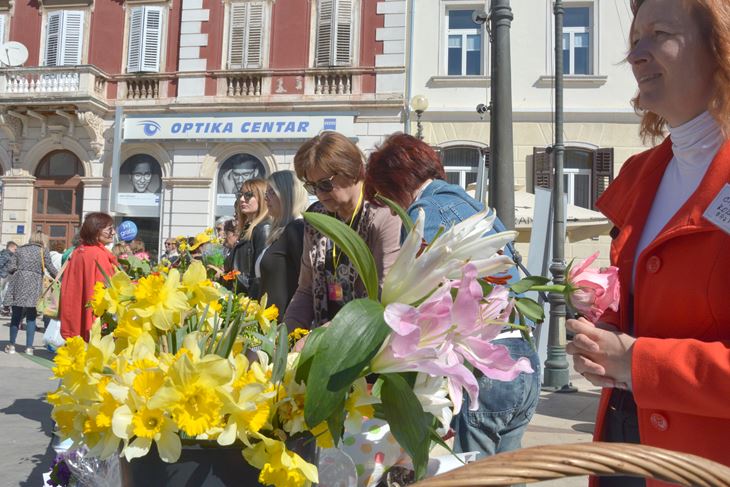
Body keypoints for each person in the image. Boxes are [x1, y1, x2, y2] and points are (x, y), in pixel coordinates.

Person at [565, 0, 730, 482]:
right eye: (635, 39)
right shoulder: (640, 174)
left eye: (659, 34)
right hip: (624, 446)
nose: (635, 55)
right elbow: (645, 308)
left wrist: (637, 363)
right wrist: (603, 322)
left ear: (720, 45)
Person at [364, 133, 540, 458]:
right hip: (522, 357)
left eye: (385, 197)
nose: (392, 209)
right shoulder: (474, 206)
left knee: (473, 475)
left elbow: (432, 296)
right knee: (509, 475)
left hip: (485, 365)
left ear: (394, 183)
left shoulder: (423, 213)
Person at [284, 131, 401, 330]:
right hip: (326, 335)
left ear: (352, 171)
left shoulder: (384, 215)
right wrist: (284, 336)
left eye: (325, 184)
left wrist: (325, 334)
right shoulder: (317, 217)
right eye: (312, 187)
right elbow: (305, 289)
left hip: (365, 337)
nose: (320, 194)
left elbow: (384, 297)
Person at [60, 212, 118, 341]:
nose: (113, 232)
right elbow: (105, 290)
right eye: (109, 229)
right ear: (96, 231)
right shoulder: (99, 255)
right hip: (93, 319)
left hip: (74, 315)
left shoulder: (78, 251)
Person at [257, 170, 308, 315]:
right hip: (271, 324)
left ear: (287, 194)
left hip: (285, 327)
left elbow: (305, 284)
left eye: (272, 192)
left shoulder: (297, 228)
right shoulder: (282, 231)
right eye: (266, 193)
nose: (266, 198)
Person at [3, 231, 57, 355]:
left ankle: (11, 346)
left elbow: (11, 268)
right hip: (35, 283)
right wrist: (61, 277)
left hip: (18, 282)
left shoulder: (20, 249)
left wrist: (20, 271)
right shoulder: (43, 251)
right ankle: (29, 348)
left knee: (16, 315)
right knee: (31, 316)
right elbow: (50, 267)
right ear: (43, 239)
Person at [225, 178, 270, 297]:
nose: (241, 199)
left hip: (249, 301)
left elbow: (259, 276)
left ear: (262, 197)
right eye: (240, 194)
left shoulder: (264, 228)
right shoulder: (248, 229)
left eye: (248, 195)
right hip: (239, 297)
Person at [0, 241, 17, 316]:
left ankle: (5, 309)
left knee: (5, 292)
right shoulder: (5, 254)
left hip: (7, 277)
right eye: (15, 249)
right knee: (2, 293)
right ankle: (3, 308)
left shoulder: (10, 255)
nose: (16, 251)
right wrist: (3, 274)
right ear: (11, 247)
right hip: (3, 276)